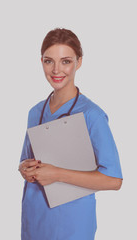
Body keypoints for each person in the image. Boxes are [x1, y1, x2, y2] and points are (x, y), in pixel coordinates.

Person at [19, 28, 123, 240]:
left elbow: (114, 180)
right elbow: (25, 162)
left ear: (79, 62)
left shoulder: (92, 115)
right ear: (41, 62)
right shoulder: (35, 112)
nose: (56, 70)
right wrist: (24, 168)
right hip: (34, 220)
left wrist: (57, 174)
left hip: (72, 225)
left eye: (65, 61)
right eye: (49, 61)